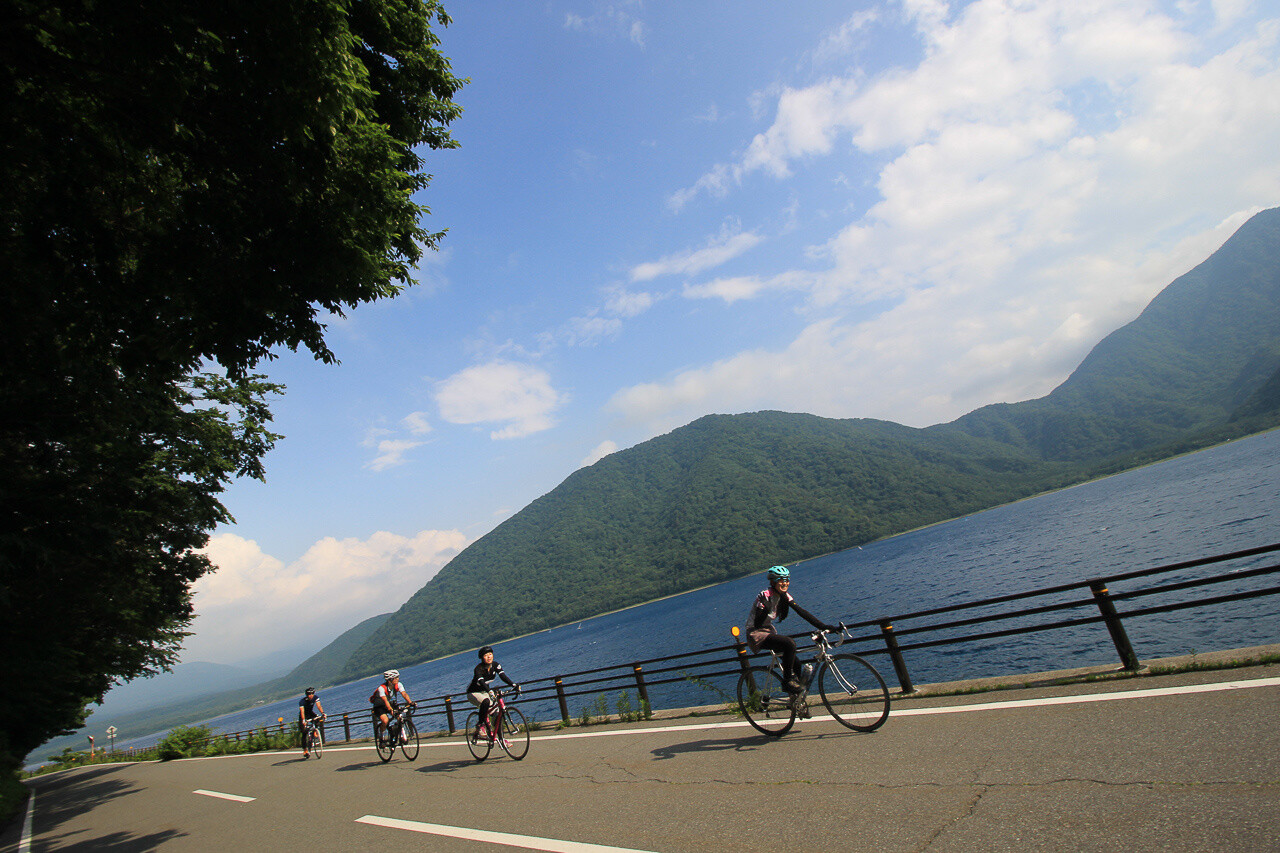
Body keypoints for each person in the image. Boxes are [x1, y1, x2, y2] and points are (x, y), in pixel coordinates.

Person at [743, 565, 839, 695]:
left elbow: (802, 612)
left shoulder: (784, 596)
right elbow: (757, 623)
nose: (785, 583)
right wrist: (764, 609)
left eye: (787, 580)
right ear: (773, 582)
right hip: (755, 633)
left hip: (769, 632)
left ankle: (797, 701)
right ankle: (787, 682)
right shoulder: (764, 596)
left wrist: (824, 626)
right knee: (789, 643)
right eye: (781, 580)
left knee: (797, 664)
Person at [467, 646, 518, 740]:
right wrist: (489, 691)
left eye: (490, 654)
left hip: (485, 692)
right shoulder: (478, 669)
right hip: (473, 693)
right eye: (486, 655)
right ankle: (480, 725)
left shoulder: (495, 665)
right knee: (486, 701)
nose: (489, 657)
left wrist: (513, 685)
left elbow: (503, 676)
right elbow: (482, 682)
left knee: (498, 715)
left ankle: (502, 740)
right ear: (482, 658)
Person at [370, 670, 413, 743]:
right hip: (379, 706)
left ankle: (402, 735)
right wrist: (391, 710)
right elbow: (385, 701)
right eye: (396, 678)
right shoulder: (381, 688)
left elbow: (404, 694)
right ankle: (381, 735)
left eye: (398, 677)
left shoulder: (398, 684)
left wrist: (410, 702)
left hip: (390, 704)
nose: (398, 679)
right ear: (390, 680)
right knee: (385, 720)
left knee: (400, 717)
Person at [298, 687, 324, 758]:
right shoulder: (302, 701)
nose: (311, 695)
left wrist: (323, 713)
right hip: (303, 716)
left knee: (317, 718)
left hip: (310, 713)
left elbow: (319, 706)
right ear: (306, 695)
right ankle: (305, 750)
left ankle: (315, 731)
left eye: (312, 693)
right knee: (304, 732)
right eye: (309, 694)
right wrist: (303, 720)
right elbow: (302, 711)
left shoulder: (315, 697)